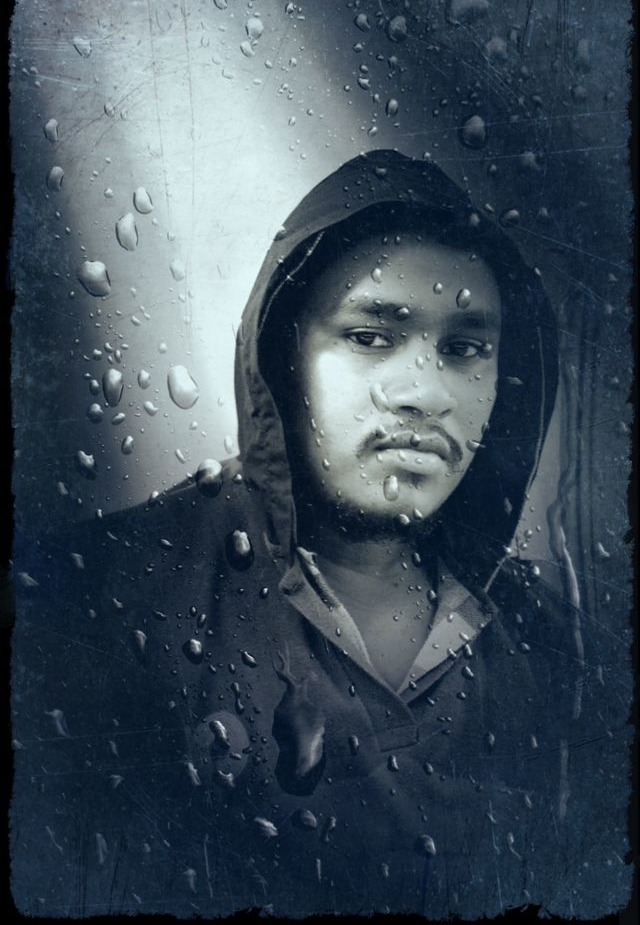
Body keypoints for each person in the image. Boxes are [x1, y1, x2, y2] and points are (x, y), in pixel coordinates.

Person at [10, 150, 625, 918]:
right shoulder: (90, 603)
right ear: (284, 357)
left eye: (465, 349)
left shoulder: (558, 647)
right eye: (371, 336)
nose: (425, 392)